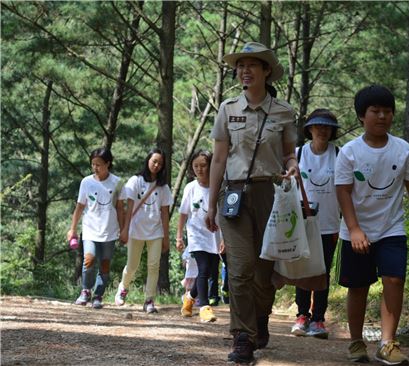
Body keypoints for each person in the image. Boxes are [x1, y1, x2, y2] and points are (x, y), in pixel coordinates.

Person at [205, 41, 298, 364]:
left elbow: (289, 153)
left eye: (252, 65)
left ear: (266, 71)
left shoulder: (283, 111)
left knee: (264, 271)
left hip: (271, 195)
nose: (244, 70)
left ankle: (261, 318)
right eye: (240, 65)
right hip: (233, 194)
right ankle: (242, 336)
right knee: (241, 267)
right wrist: (210, 204)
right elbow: (218, 159)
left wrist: (292, 166)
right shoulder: (227, 109)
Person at [335, 85, 409, 364]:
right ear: (361, 117)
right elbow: (342, 191)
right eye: (375, 111)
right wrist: (354, 228)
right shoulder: (350, 152)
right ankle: (356, 342)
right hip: (356, 230)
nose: (382, 116)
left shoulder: (402, 149)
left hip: (392, 227)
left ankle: (388, 343)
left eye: (387, 111)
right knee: (358, 286)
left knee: (394, 279)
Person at [290, 109, 341, 339]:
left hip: (329, 223)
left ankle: (319, 319)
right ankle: (302, 315)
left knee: (322, 271)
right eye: (318, 126)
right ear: (309, 129)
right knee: (302, 267)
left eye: (327, 127)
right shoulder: (298, 154)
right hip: (301, 222)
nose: (322, 130)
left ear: (332, 132)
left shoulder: (340, 154)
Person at [114, 147, 173, 314]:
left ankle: (149, 299)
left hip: (155, 231)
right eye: (154, 161)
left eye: (160, 163)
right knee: (132, 265)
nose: (156, 165)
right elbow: (129, 207)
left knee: (154, 266)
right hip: (135, 229)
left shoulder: (163, 188)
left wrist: (166, 237)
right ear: (148, 160)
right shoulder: (135, 181)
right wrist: (124, 230)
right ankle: (123, 288)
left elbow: (164, 214)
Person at [67, 147, 124, 309]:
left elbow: (121, 209)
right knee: (89, 260)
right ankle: (86, 290)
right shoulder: (86, 182)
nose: (95, 168)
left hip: (110, 231)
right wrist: (72, 229)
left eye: (98, 164)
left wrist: (124, 230)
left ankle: (98, 294)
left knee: (105, 265)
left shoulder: (118, 183)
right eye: (93, 164)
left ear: (108, 163)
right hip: (90, 230)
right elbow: (79, 207)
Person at [178, 149, 222, 322]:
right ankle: (204, 306)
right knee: (203, 269)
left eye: (203, 165)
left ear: (211, 165)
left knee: (210, 271)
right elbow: (183, 213)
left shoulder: (218, 186)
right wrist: (179, 236)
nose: (199, 169)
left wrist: (225, 238)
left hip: (214, 235)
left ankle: (189, 298)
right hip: (196, 235)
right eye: (195, 166)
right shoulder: (190, 187)